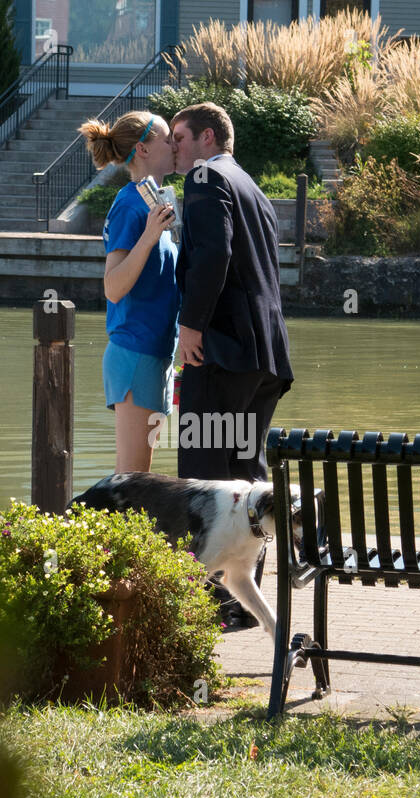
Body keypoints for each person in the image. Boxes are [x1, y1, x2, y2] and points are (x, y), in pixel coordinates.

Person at [170, 102, 295, 628]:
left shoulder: (204, 176)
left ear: (206, 137)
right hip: (263, 358)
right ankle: (244, 606)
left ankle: (207, 608)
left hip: (220, 350)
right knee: (246, 478)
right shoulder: (251, 185)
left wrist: (191, 326)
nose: (172, 147)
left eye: (178, 136)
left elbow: (214, 256)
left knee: (202, 476)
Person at [78, 110, 179, 473]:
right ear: (144, 149)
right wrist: (150, 237)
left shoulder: (157, 200)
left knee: (140, 476)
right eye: (168, 139)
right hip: (135, 351)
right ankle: (100, 532)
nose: (175, 145)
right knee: (133, 478)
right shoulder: (128, 203)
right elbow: (113, 287)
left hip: (155, 351)